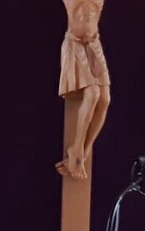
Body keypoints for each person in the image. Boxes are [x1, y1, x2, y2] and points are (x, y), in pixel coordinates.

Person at [57, 0, 110, 179]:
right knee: (93, 93)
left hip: (94, 44)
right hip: (75, 44)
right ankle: (76, 149)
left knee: (105, 100)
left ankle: (83, 152)